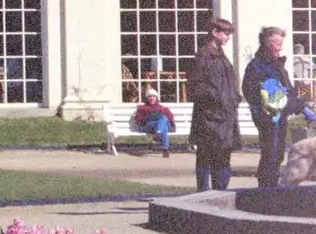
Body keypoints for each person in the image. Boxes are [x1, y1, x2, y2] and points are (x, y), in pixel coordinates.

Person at [241, 25, 316, 188]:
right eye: (277, 44)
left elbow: (288, 92)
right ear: (266, 44)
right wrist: (270, 100)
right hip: (267, 119)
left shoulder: (277, 65)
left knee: (277, 155)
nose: (280, 47)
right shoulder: (256, 66)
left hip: (280, 117)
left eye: (281, 43)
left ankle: (271, 190)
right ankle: (266, 192)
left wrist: (301, 106)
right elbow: (255, 93)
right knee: (270, 155)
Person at [186, 17, 241, 191]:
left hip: (225, 117)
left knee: (223, 159)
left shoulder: (222, 57)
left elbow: (229, 84)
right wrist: (217, 98)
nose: (228, 37)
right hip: (210, 118)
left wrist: (234, 98)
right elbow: (195, 85)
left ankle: (220, 194)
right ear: (214, 32)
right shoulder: (203, 55)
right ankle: (203, 196)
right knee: (206, 158)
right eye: (225, 33)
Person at [134, 88, 175, 158]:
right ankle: (164, 147)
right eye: (150, 96)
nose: (152, 98)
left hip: (158, 126)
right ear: (147, 98)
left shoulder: (162, 108)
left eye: (154, 96)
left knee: (164, 120)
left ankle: (158, 133)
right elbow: (138, 118)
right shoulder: (142, 108)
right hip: (149, 126)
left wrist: (169, 122)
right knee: (164, 126)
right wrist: (146, 119)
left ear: (156, 98)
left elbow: (170, 116)